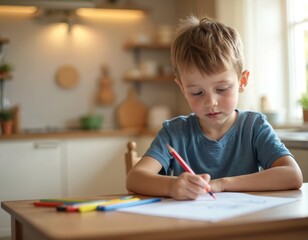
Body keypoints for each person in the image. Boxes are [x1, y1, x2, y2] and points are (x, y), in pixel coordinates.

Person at [126, 16, 303, 200]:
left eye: (221, 89)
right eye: (196, 92)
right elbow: (134, 179)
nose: (211, 102)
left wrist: (223, 184)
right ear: (183, 89)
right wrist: (172, 186)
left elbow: (292, 175)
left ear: (242, 81)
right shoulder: (174, 132)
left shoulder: (254, 126)